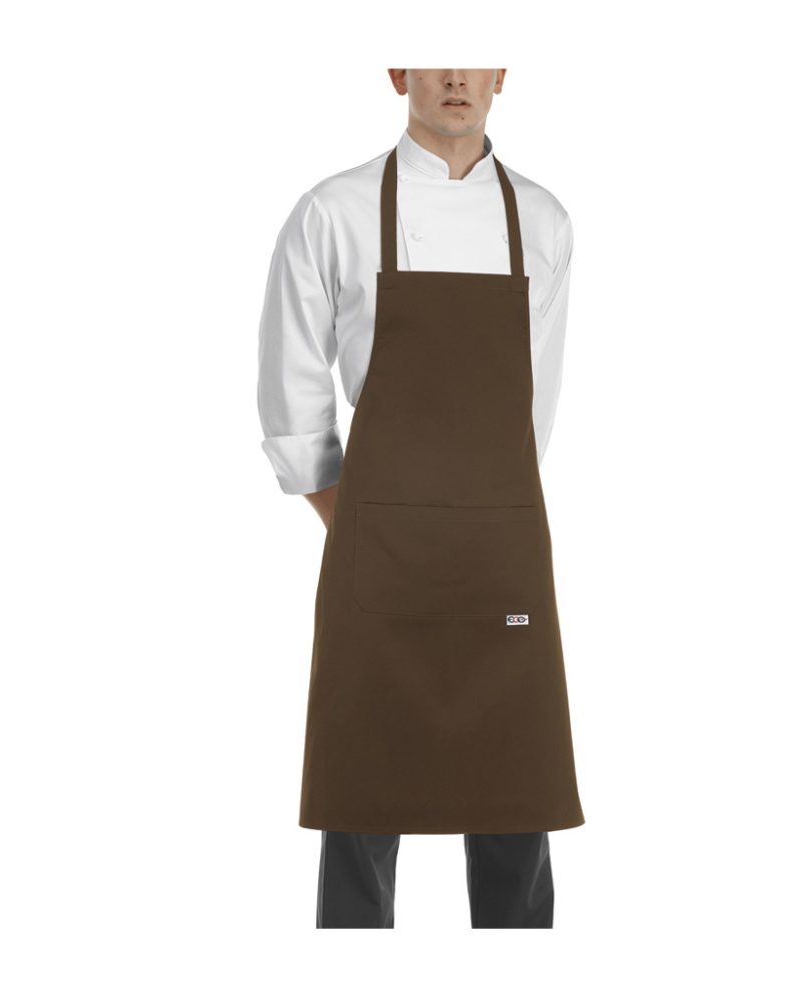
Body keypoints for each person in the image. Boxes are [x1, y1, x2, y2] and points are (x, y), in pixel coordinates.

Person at [257, 69, 585, 929]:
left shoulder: (543, 221)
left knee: (516, 814)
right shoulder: (333, 212)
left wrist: (482, 514)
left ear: (503, 74)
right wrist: (363, 524)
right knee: (361, 812)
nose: (456, 77)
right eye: (435, 53)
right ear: (399, 71)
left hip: (502, 559)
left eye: (477, 56)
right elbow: (292, 399)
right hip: (378, 563)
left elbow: (533, 408)